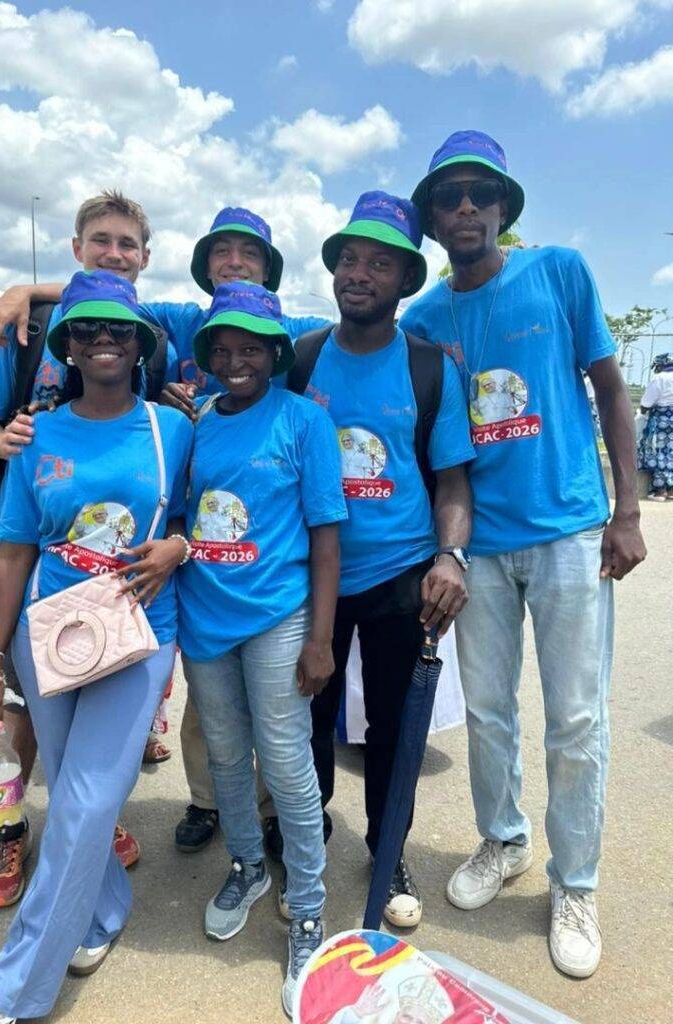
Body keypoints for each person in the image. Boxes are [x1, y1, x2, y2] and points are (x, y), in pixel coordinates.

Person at [0, 205, 330, 855]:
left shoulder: (293, 335)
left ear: (269, 272)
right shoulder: (178, 322)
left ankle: (282, 826)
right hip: (185, 572)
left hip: (262, 574)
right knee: (210, 720)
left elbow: (352, 329)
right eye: (222, 250)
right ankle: (208, 803)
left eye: (250, 253)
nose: (235, 262)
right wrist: (26, 290)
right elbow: (105, 302)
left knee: (281, 730)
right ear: (204, 265)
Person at [400, 129, 647, 978]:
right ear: (433, 219)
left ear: (504, 208)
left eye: (482, 194)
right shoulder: (423, 320)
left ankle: (574, 883)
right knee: (489, 712)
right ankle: (502, 841)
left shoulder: (559, 272)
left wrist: (627, 510)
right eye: (450, 197)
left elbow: (611, 391)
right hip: (480, 545)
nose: (466, 207)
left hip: (570, 529)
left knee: (576, 718)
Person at [0, 270, 193, 1024]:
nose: (103, 339)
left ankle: (16, 991)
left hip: (138, 632)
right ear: (65, 345)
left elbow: (204, 514)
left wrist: (180, 545)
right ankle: (102, 910)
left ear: (140, 345)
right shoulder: (37, 435)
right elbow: (12, 550)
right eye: (87, 328)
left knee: (90, 800)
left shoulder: (173, 429)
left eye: (119, 329)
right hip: (51, 637)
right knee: (71, 797)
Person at [292, 192, 475, 929]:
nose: (358, 273)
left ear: (405, 280)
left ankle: (388, 847)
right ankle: (305, 841)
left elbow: (452, 480)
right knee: (307, 716)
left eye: (379, 262)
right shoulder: (301, 357)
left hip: (402, 574)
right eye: (349, 259)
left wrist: (450, 556)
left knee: (395, 728)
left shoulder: (428, 367)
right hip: (313, 575)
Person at [173, 281, 346, 1017]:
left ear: (276, 354)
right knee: (223, 755)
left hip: (279, 616)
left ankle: (307, 904)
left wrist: (320, 639)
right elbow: (182, 516)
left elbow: (327, 535)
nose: (236, 361)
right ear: (207, 355)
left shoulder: (305, 420)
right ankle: (247, 865)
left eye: (252, 348)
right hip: (205, 617)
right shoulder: (198, 424)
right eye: (223, 349)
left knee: (284, 759)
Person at [638, 352, 673, 500]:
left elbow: (646, 403)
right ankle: (671, 490)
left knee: (658, 451)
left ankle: (660, 490)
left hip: (662, 420)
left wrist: (642, 412)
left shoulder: (659, 378)